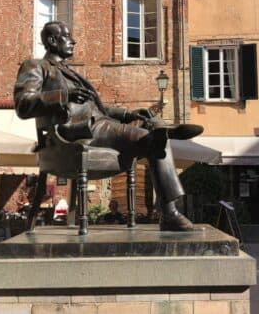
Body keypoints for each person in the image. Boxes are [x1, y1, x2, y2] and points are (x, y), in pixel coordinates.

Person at [14, 21, 202, 231]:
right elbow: (23, 104)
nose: (73, 41)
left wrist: (128, 113)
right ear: (51, 41)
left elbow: (99, 108)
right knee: (150, 137)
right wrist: (64, 95)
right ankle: (170, 213)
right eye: (67, 37)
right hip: (79, 132)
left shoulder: (71, 73)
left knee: (154, 132)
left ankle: (160, 130)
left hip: (101, 123)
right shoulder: (36, 66)